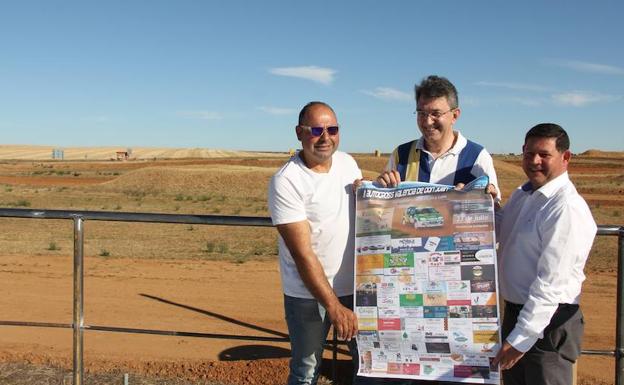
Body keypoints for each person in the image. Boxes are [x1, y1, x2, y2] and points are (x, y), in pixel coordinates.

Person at [268, 101, 366, 385]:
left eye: (332, 129)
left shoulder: (348, 163)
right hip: (308, 297)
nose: (325, 137)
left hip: (356, 289)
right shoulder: (286, 181)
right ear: (299, 132)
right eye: (316, 130)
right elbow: (303, 255)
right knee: (306, 369)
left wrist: (379, 188)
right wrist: (333, 307)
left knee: (367, 365)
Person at [491, 123, 596, 385]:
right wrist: (478, 205)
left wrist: (520, 339)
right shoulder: (524, 194)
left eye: (544, 155)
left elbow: (551, 284)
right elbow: (504, 229)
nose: (534, 161)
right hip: (518, 315)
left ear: (565, 157)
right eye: (528, 154)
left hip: (546, 323)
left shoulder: (565, 208)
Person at [376, 75, 499, 196]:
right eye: (422, 113)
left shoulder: (477, 157)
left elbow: (495, 211)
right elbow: (380, 209)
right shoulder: (401, 155)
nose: (428, 121)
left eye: (436, 114)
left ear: (455, 116)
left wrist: (486, 200)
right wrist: (377, 187)